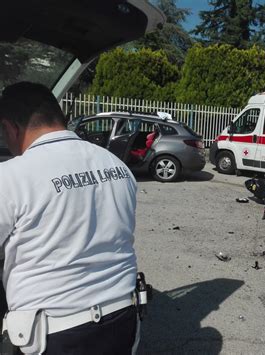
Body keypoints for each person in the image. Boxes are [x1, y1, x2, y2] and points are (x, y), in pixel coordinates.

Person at [0, 82, 139, 354]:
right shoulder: (117, 166)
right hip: (123, 322)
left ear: (10, 127)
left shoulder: (11, 176)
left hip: (53, 337)